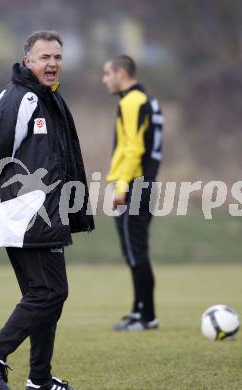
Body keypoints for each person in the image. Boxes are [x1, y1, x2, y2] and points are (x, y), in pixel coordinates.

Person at [0, 31, 94, 390]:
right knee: (49, 293)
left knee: (47, 297)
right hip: (26, 216)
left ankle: (39, 379)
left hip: (47, 213)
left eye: (57, 57)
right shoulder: (19, 98)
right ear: (28, 62)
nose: (52, 64)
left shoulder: (49, 99)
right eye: (44, 58)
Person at [102, 55, 163, 331]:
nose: (105, 80)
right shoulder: (148, 100)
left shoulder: (131, 101)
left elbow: (133, 148)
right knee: (134, 251)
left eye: (107, 74)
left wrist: (122, 187)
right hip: (145, 182)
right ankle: (139, 310)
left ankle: (147, 316)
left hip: (134, 185)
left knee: (136, 252)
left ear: (121, 73)